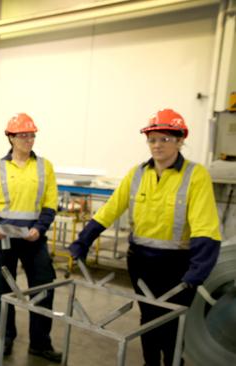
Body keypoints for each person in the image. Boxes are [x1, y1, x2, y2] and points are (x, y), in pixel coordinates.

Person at [69, 108, 221, 366]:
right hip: (140, 263)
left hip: (177, 266)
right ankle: (150, 363)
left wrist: (199, 268)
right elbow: (110, 209)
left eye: (165, 139)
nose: (157, 145)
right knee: (148, 319)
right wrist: (84, 240)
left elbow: (204, 225)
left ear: (180, 140)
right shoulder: (137, 174)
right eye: (152, 139)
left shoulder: (196, 175)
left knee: (173, 323)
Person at [0, 113, 62, 362]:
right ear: (11, 138)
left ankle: (40, 343)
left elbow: (50, 202)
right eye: (23, 135)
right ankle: (6, 339)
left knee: (43, 288)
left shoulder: (44, 167)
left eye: (31, 135)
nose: (28, 140)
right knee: (2, 291)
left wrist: (40, 227)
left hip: (34, 238)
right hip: (2, 238)